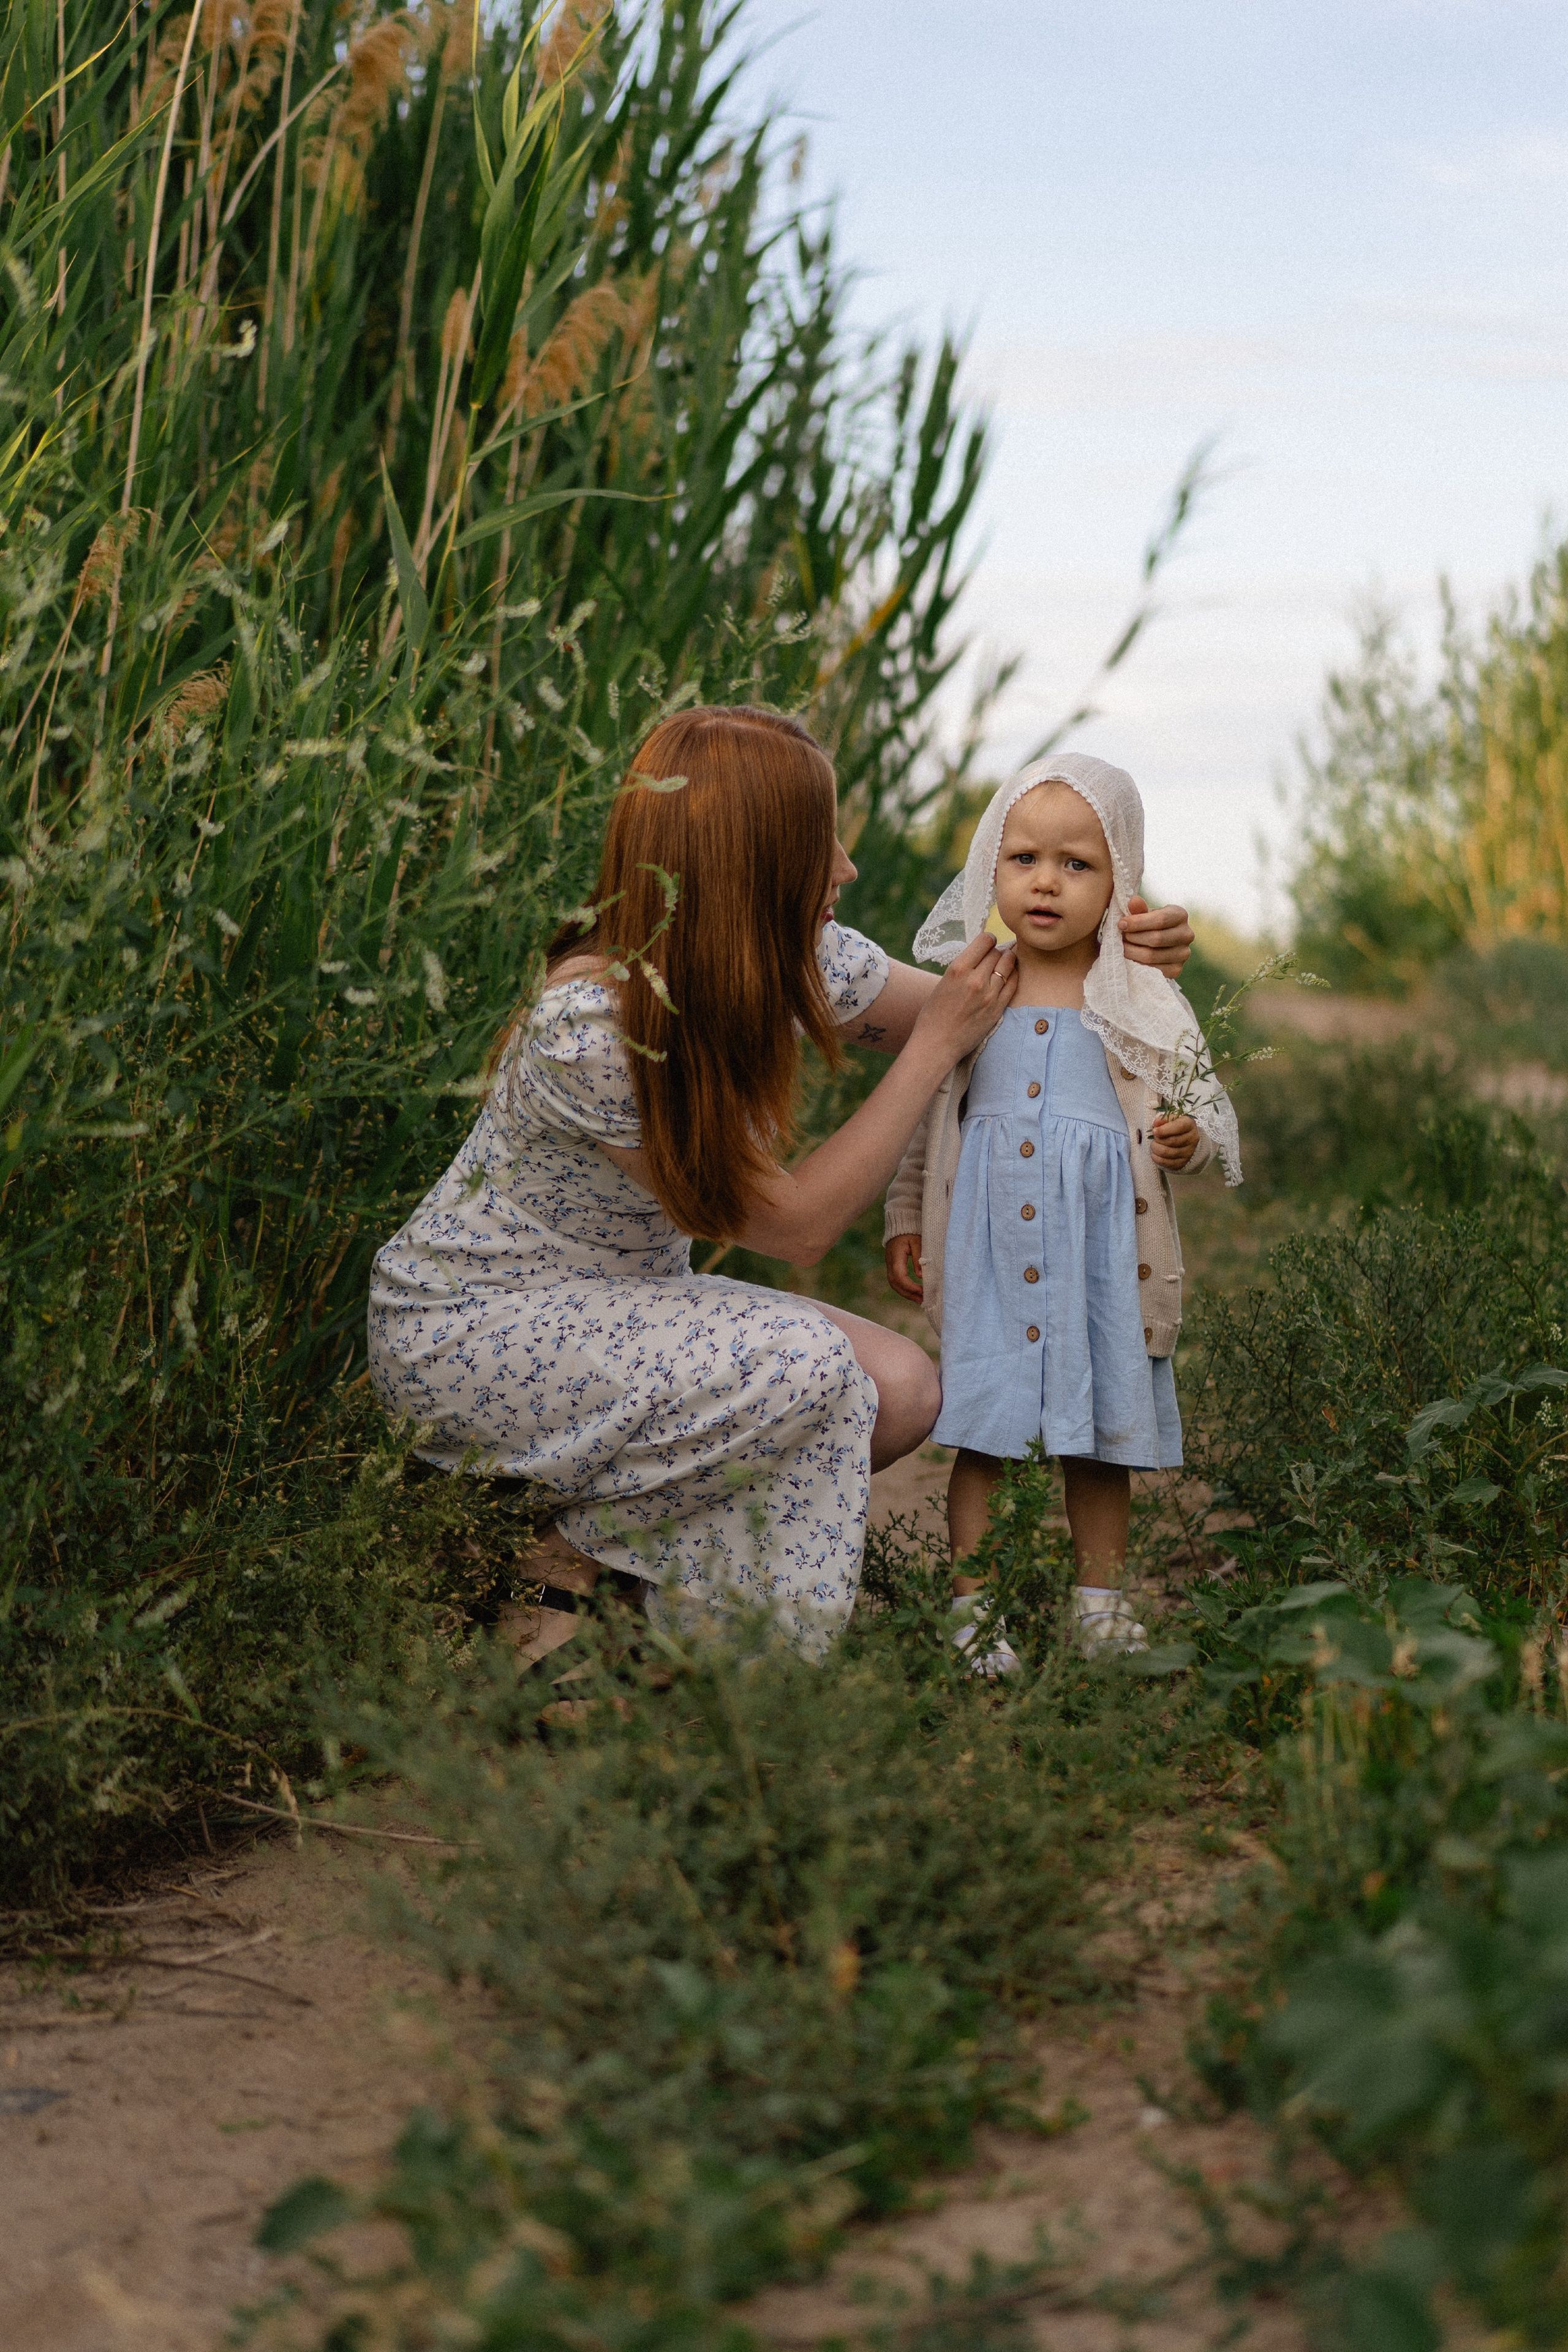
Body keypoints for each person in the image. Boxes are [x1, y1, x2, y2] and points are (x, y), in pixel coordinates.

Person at [368, 708, 1196, 1660]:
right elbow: (798, 1227)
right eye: (820, 841)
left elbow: (1015, 1016)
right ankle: (534, 1561)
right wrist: (928, 1051)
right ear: (750, 859)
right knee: (812, 1374)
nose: (846, 866)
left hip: (623, 1305)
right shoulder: (595, 1030)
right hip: (479, 1331)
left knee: (899, 1391)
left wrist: (1118, 962)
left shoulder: (793, 958)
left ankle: (576, 1550)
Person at [883, 752, 1240, 1671]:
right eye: (1025, 859)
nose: (1047, 882)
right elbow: (930, 1111)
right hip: (991, 1247)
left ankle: (1100, 1608)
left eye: (1078, 865)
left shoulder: (1140, 998)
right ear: (990, 870)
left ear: (1122, 879)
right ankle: (975, 1613)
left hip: (1099, 1254)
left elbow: (1200, 1111)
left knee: (1101, 1437)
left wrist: (1183, 1141)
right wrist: (904, 1216)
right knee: (983, 1430)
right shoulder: (975, 988)